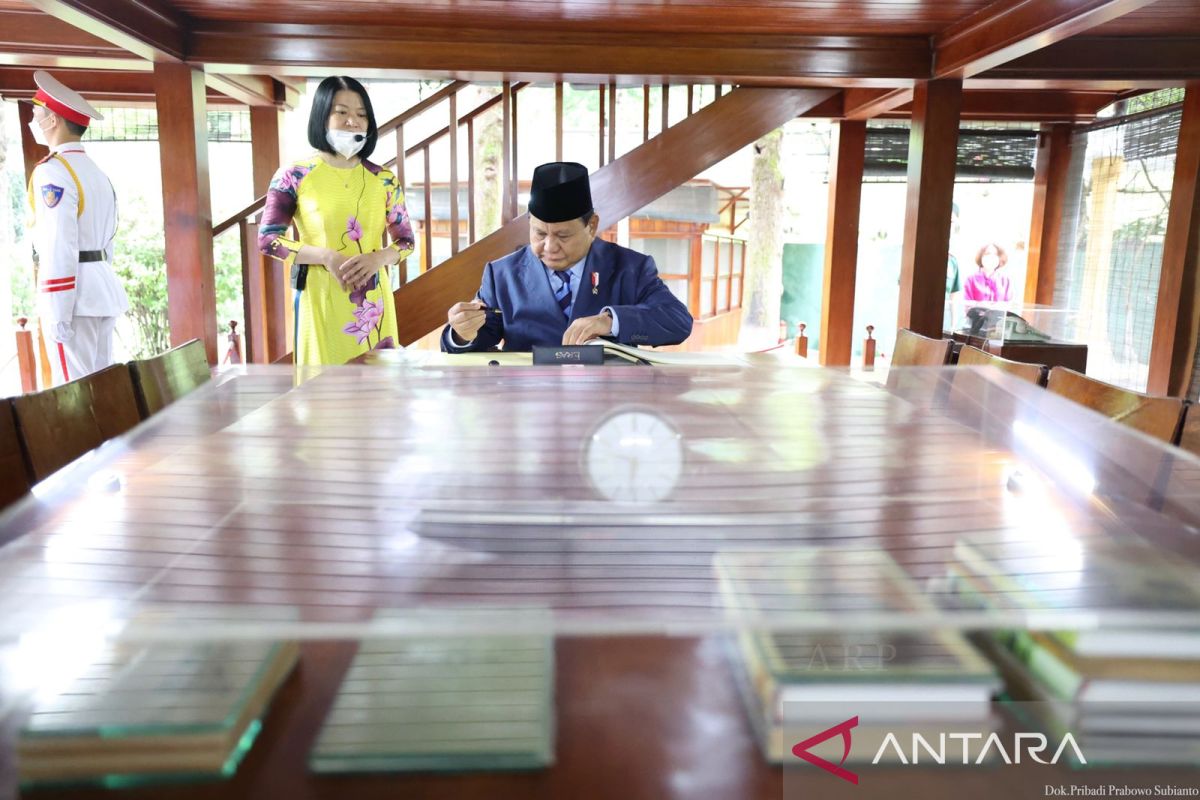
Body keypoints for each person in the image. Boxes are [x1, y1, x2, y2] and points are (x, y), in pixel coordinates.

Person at [442, 162, 692, 352]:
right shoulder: (502, 275)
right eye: (539, 233)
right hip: (526, 401)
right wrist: (463, 333)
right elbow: (481, 335)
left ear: (592, 226)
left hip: (607, 402)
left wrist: (610, 321)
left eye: (563, 236)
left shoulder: (630, 268)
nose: (549, 247)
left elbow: (678, 321)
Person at [259, 76, 415, 366]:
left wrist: (378, 258)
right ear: (321, 116)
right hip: (321, 296)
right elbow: (268, 240)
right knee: (323, 393)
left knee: (378, 389)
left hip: (373, 301)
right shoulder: (294, 175)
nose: (352, 122)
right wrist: (325, 256)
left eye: (361, 115)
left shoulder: (385, 179)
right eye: (341, 112)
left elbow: (406, 242)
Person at [26, 70, 128, 385]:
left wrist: (57, 310)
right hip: (101, 288)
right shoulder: (95, 172)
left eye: (36, 111)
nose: (33, 117)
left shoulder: (53, 173)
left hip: (73, 297)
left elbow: (59, 244)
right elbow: (108, 240)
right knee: (103, 388)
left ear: (52, 120)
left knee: (77, 394)